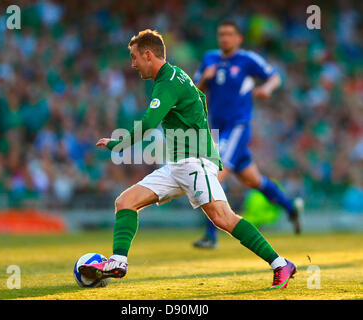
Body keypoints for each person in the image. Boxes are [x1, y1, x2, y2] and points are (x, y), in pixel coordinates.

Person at [79, 29, 297, 289]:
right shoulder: (175, 75)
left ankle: (281, 264)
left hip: (195, 161)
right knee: (125, 201)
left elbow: (149, 123)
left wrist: (117, 143)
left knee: (223, 218)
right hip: (177, 165)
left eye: (135, 57)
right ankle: (117, 261)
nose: (133, 64)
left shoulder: (168, 82)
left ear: (148, 55)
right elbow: (200, 99)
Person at [192, 20, 304, 249]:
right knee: (253, 180)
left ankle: (210, 236)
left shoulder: (248, 60)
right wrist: (205, 78)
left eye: (229, 34)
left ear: (238, 38)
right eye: (221, 34)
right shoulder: (210, 59)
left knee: (213, 174)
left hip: (238, 126)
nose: (224, 38)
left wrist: (266, 89)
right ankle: (291, 207)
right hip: (218, 129)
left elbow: (274, 77)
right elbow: (195, 91)